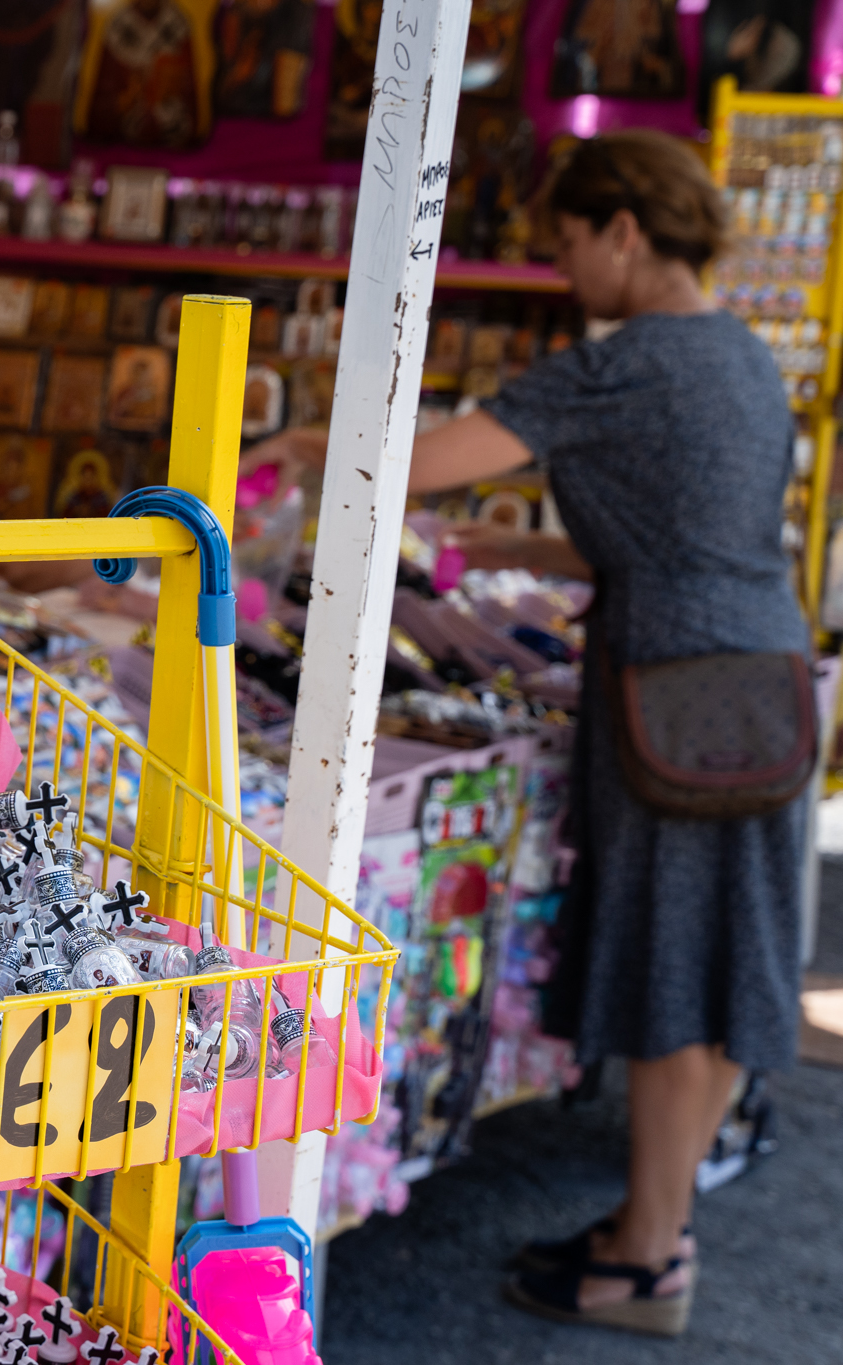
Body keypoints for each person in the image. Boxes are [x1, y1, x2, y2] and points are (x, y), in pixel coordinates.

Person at [248, 129, 806, 1338]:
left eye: (566, 244)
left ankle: (647, 1260)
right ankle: (655, 1227)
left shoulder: (622, 362)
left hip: (668, 696)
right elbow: (691, 532)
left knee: (669, 974)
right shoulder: (738, 354)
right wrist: (526, 547)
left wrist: (300, 447)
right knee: (719, 961)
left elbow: (406, 466)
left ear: (622, 232)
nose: (562, 272)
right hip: (758, 681)